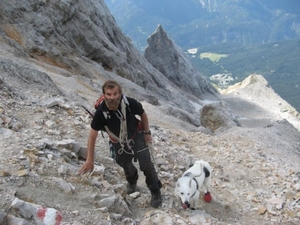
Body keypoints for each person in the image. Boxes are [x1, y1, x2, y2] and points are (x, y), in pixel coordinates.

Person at [78, 80, 162, 208]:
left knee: (146, 164)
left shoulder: (128, 103)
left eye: (115, 94)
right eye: (109, 94)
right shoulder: (101, 113)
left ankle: (155, 191)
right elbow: (92, 136)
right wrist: (90, 160)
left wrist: (147, 133)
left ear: (120, 94)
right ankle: (132, 181)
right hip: (118, 141)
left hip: (137, 136)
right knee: (125, 163)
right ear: (104, 95)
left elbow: (142, 113)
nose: (112, 97)